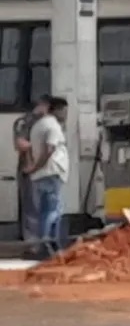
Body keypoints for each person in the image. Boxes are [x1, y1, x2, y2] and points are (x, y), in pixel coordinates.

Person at [23, 96, 69, 255]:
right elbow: (49, 150)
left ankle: (53, 244)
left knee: (49, 210)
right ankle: (46, 244)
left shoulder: (38, 125)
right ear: (55, 110)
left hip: (42, 175)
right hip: (50, 173)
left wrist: (32, 167)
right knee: (50, 211)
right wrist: (35, 167)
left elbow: (30, 148)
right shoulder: (53, 126)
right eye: (64, 111)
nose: (65, 115)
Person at [12, 95, 50, 254]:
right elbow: (21, 144)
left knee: (47, 208)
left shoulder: (49, 122)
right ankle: (32, 245)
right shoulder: (25, 122)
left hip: (47, 170)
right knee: (31, 208)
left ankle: (45, 243)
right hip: (29, 169)